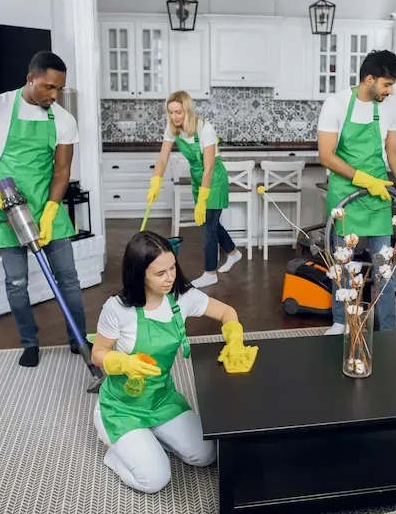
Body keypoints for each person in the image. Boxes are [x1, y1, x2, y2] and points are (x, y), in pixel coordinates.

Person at [0, 51, 88, 367]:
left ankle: (78, 339)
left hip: (47, 208)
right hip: (7, 211)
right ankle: (30, 343)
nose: (54, 95)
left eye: (59, 89)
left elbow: (62, 171)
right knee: (16, 283)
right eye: (48, 87)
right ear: (31, 79)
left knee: (68, 279)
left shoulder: (63, 120)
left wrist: (51, 210)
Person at [90, 231, 258, 493]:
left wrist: (234, 339)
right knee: (154, 480)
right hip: (122, 407)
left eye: (172, 268)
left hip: (161, 399)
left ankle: (150, 438)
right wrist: (123, 363)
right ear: (139, 273)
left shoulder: (181, 297)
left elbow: (226, 311)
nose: (170, 278)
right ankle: (114, 450)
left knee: (206, 454)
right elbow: (98, 353)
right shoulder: (117, 309)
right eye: (160, 273)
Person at [317, 50, 396, 335]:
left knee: (384, 268)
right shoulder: (336, 104)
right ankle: (342, 322)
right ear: (369, 79)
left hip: (378, 196)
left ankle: (387, 328)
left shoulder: (390, 105)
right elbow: (326, 155)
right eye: (386, 85)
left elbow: (394, 150)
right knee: (343, 265)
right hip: (345, 196)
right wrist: (363, 179)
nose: (390, 91)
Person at [147, 90, 242, 288]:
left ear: (188, 110)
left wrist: (202, 199)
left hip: (213, 178)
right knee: (209, 222)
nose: (174, 117)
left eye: (178, 112)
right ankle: (233, 253)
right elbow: (163, 157)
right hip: (197, 177)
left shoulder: (205, 129)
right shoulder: (172, 128)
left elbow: (208, 168)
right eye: (171, 112)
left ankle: (210, 272)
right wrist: (156, 179)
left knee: (208, 225)